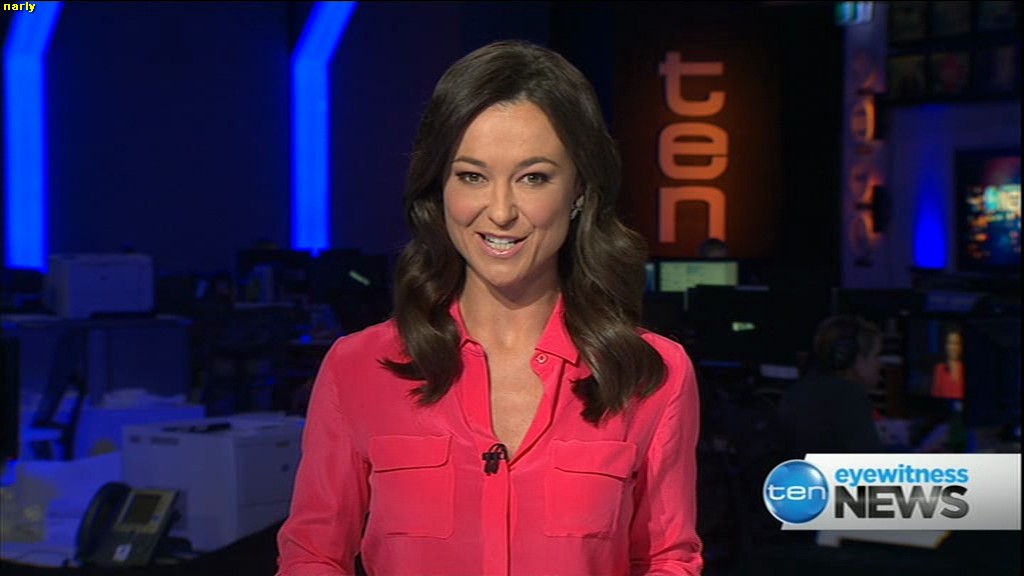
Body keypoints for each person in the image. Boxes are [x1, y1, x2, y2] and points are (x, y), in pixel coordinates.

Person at [276, 40, 703, 576]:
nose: (500, 211)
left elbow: (667, 559)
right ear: (440, 188)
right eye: (472, 176)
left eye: (533, 177)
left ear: (578, 190)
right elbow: (314, 556)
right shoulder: (357, 367)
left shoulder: (652, 374)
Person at [778, 315, 884, 457]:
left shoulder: (797, 391)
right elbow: (871, 466)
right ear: (852, 358)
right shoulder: (849, 397)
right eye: (877, 355)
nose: (880, 364)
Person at [931, 323, 964, 400]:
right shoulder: (939, 369)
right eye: (950, 343)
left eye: (957, 343)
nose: (953, 348)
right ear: (946, 345)